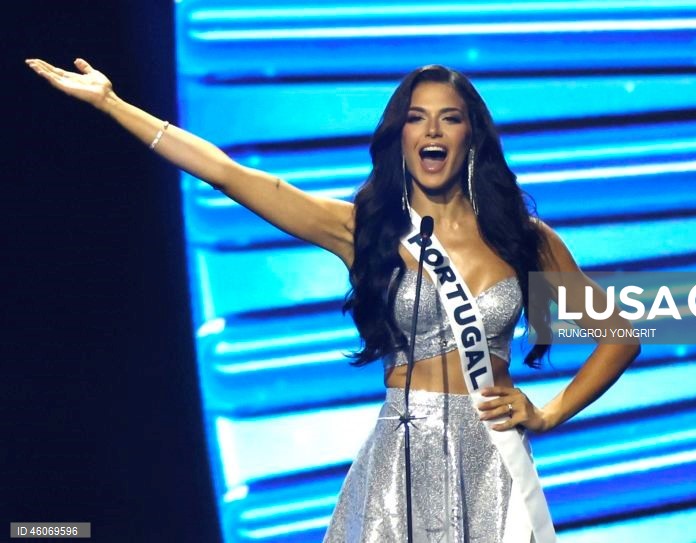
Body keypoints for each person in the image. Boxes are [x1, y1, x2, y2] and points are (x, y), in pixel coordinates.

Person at [26, 57, 640, 542]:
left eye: (448, 117)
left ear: (470, 135)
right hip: (404, 455)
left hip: (495, 460)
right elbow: (229, 173)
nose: (431, 130)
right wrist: (111, 104)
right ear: (400, 137)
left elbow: (619, 335)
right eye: (416, 117)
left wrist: (551, 411)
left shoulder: (525, 240)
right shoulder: (364, 230)